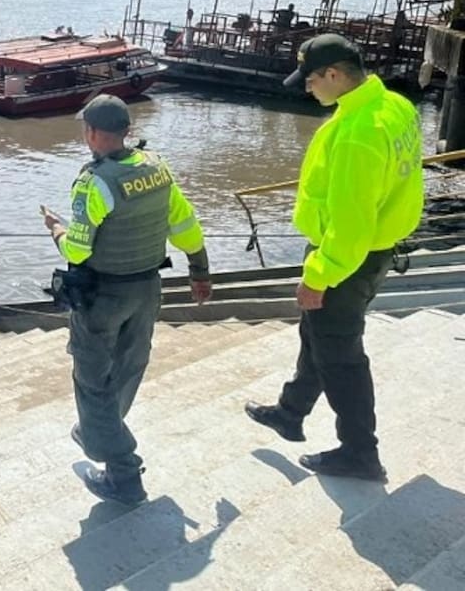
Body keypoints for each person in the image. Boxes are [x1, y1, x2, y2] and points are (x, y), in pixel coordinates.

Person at [245, 34, 423, 482]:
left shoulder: (358, 135)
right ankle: (291, 411)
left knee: (342, 357)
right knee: (318, 336)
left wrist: (319, 275)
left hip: (347, 257)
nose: (307, 89)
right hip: (375, 249)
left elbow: (351, 223)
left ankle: (360, 453)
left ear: (334, 74)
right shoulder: (394, 106)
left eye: (311, 80)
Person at [43, 94, 212, 506]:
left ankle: (123, 473)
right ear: (128, 131)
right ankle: (99, 430)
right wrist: (200, 270)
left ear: (92, 134)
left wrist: (56, 230)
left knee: (92, 380)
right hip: (148, 290)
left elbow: (78, 250)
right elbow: (185, 224)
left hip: (103, 297)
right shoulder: (157, 170)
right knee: (129, 367)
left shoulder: (94, 182)